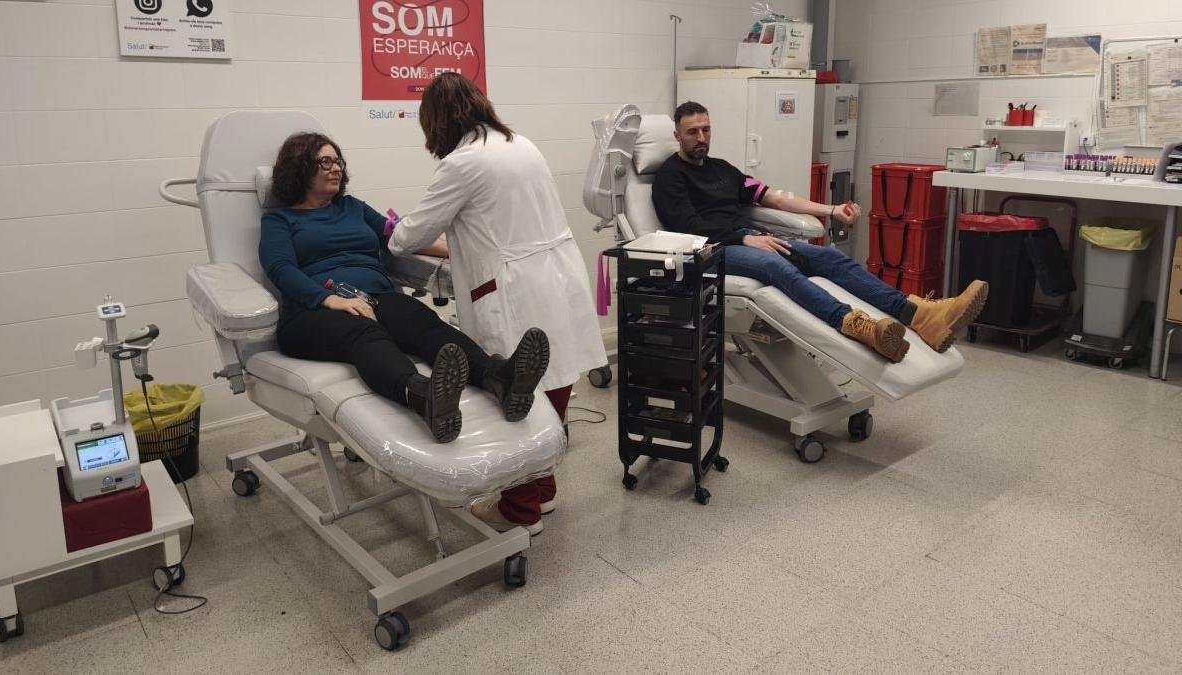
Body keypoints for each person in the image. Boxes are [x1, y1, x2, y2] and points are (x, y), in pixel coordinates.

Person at [388, 72, 607, 534]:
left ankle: (518, 510)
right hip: (557, 274)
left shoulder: (461, 164)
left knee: (515, 393)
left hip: (511, 289)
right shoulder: (521, 144)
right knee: (556, 379)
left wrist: (392, 229)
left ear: (436, 122)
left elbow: (411, 235)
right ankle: (541, 492)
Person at [259, 132, 550, 446]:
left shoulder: (352, 207)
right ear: (299, 167)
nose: (337, 168)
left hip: (375, 296)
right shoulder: (280, 220)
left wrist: (459, 250)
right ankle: (422, 395)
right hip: (310, 313)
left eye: (338, 161)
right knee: (365, 332)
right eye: (325, 161)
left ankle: (499, 378)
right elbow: (281, 269)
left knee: (422, 322)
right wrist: (328, 299)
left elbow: (398, 236)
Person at [652, 101, 988, 361]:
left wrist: (830, 210)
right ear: (677, 135)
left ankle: (919, 315)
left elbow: (774, 197)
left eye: (706, 130)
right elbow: (688, 226)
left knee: (829, 257)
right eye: (693, 132)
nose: (701, 138)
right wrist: (744, 238)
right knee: (775, 266)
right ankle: (856, 325)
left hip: (746, 238)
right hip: (709, 251)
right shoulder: (670, 176)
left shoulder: (722, 169)